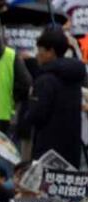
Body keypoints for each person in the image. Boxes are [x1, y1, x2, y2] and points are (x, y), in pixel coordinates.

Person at [21, 28, 85, 166]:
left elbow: (37, 114)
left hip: (47, 150)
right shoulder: (74, 77)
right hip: (71, 148)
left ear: (51, 52)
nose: (37, 54)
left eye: (40, 50)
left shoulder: (45, 80)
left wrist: (28, 109)